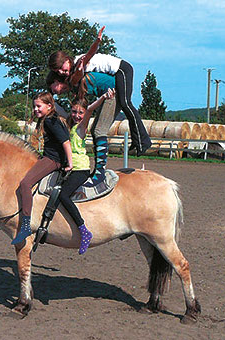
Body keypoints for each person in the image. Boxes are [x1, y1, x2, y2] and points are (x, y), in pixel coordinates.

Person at [48, 26, 152, 157]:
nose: (62, 72)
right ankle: (137, 141)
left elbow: (91, 53)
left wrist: (97, 41)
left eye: (62, 69)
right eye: (59, 72)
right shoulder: (74, 73)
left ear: (67, 60)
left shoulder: (80, 62)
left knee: (126, 104)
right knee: (119, 110)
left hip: (122, 69)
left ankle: (143, 141)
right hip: (114, 77)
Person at [12, 92, 73, 245]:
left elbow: (66, 142)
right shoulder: (49, 119)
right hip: (49, 157)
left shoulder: (51, 122)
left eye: (39, 106)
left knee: (25, 184)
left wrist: (69, 163)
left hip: (53, 160)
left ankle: (26, 225)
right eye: (34, 106)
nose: (36, 109)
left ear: (49, 106)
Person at [59, 89, 115, 254]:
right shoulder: (68, 124)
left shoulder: (81, 127)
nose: (77, 115)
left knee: (63, 195)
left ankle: (83, 229)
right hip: (68, 167)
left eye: (80, 112)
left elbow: (90, 109)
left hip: (80, 169)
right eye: (74, 111)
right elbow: (57, 108)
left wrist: (103, 97)